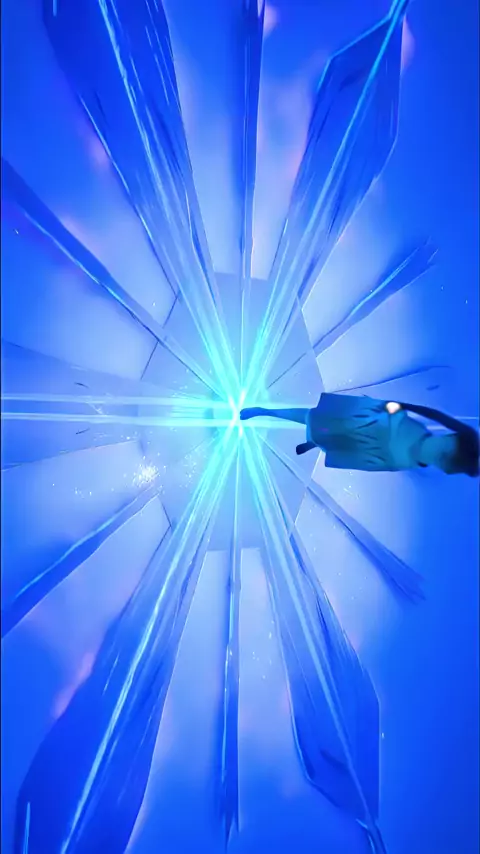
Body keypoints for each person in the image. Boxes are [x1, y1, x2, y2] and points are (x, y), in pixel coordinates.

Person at [240, 394, 479, 476]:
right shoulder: (465, 441)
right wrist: (398, 407)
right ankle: (264, 411)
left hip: (387, 450)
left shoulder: (461, 461)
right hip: (386, 429)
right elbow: (435, 415)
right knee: (317, 417)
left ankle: (316, 441)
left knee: (338, 438)